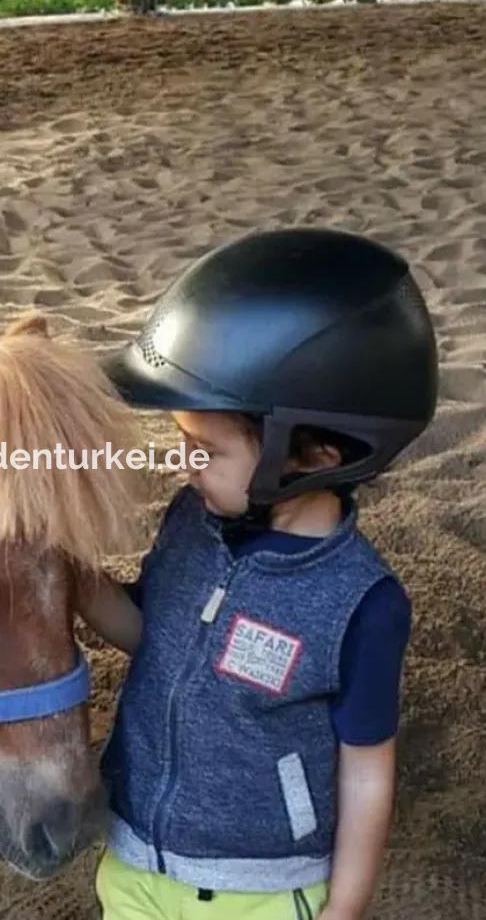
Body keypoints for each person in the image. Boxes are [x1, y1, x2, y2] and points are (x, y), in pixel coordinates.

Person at [80, 227, 438, 920]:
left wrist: (346, 908)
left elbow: (367, 770)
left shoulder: (362, 605)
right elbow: (155, 639)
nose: (186, 466)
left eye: (205, 449)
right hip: (133, 868)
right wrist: (75, 579)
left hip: (262, 896)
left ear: (312, 452)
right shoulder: (192, 523)